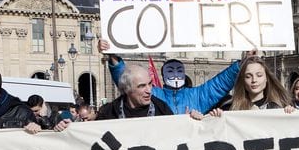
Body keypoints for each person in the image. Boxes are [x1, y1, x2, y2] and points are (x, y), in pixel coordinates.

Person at [100, 39, 241, 114]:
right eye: (170, 71)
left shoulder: (197, 95)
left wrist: (242, 64)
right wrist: (112, 55)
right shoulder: (154, 94)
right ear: (163, 74)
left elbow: (220, 84)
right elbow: (126, 80)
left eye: (179, 70)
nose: (175, 75)